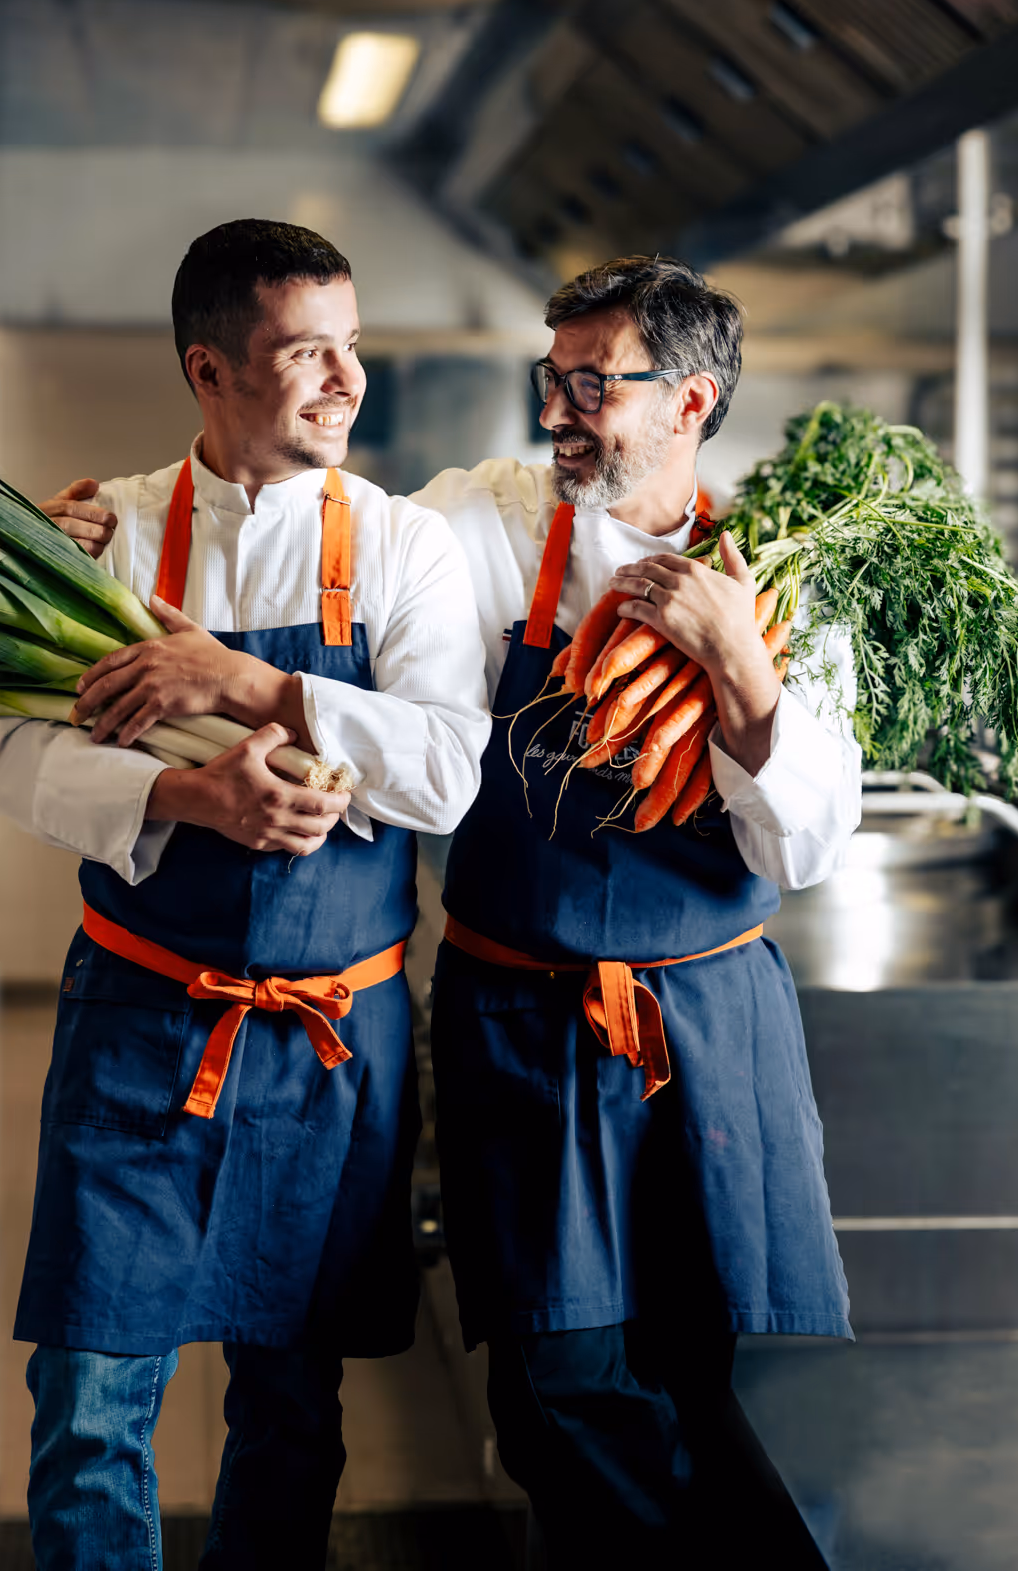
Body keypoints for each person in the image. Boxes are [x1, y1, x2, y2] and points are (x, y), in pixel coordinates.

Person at [0, 218, 489, 1570]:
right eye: (304, 351)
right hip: (143, 1027)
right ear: (209, 373)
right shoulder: (107, 530)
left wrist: (255, 686)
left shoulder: (401, 546)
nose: (345, 380)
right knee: (92, 1393)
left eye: (353, 344)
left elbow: (446, 771)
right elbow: (7, 756)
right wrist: (182, 796)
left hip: (331, 1048)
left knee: (291, 1401)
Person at [409, 256, 860, 1568]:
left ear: (692, 398)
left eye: (593, 383)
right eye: (552, 378)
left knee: (700, 1366)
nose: (557, 408)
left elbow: (812, 840)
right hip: (525, 1017)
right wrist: (145, 516)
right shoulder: (483, 523)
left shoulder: (785, 576)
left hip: (710, 1016)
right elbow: (325, 529)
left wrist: (747, 668)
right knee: (555, 1382)